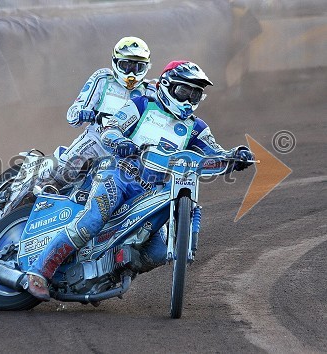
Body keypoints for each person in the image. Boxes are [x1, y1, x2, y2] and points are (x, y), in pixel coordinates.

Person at [26, 60, 254, 301]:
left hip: (153, 194)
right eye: (184, 91)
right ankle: (39, 271)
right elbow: (112, 127)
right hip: (118, 174)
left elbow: (214, 151)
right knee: (93, 221)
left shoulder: (196, 128)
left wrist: (235, 155)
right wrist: (119, 141)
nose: (188, 100)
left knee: (157, 252)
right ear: (167, 86)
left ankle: (107, 273)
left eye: (195, 94)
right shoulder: (142, 104)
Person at [43, 36, 157, 188]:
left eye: (138, 67)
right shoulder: (103, 78)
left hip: (127, 151)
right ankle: (33, 193)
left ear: (146, 67)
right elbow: (73, 114)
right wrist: (84, 113)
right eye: (126, 66)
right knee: (63, 175)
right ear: (115, 62)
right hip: (96, 139)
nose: (132, 73)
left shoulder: (151, 91)